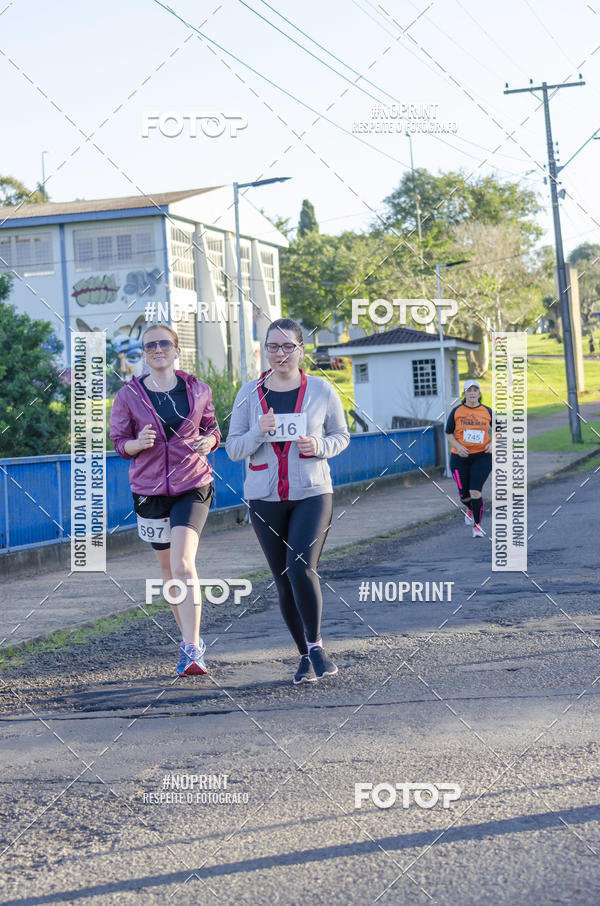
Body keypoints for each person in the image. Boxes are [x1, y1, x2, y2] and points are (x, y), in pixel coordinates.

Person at [226, 318, 350, 685]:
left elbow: (341, 435)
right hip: (264, 498)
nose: (280, 353)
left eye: (288, 346)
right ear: (265, 350)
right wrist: (256, 431)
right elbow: (233, 449)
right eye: (273, 346)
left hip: (312, 492)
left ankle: (316, 645)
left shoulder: (322, 391)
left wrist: (320, 447)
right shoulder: (249, 394)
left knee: (300, 568)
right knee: (282, 580)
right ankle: (303, 655)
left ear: (301, 350)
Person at [110, 324, 220, 675]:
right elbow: (118, 442)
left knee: (184, 563)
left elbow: (212, 428)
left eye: (164, 344)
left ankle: (192, 647)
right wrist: (136, 444)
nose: (157, 349)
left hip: (193, 483)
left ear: (176, 350)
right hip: (149, 490)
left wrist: (211, 443)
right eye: (150, 345)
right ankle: (185, 639)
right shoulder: (128, 395)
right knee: (168, 570)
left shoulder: (198, 389)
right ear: (144, 353)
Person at [445, 379, 493, 539]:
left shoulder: (487, 411)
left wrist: (493, 443)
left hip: (482, 457)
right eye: (469, 390)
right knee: (464, 496)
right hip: (460, 458)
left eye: (475, 390)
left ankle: (477, 526)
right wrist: (458, 446)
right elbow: (448, 433)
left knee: (475, 491)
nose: (472, 393)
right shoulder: (457, 411)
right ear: (464, 394)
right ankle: (470, 508)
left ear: (479, 393)